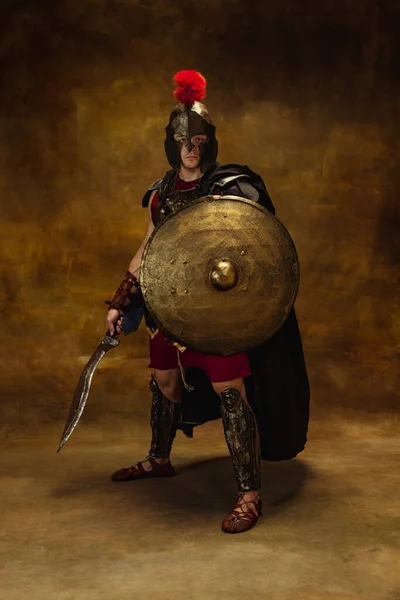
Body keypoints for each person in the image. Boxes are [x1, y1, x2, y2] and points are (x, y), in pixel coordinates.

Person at [105, 71, 310, 534]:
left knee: (232, 394)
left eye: (198, 140)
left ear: (209, 143)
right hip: (168, 310)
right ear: (171, 145)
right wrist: (120, 301)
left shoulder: (231, 188)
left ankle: (249, 495)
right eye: (182, 141)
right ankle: (160, 459)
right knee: (165, 383)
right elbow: (147, 252)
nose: (191, 149)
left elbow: (256, 252)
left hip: (219, 316)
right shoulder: (161, 193)